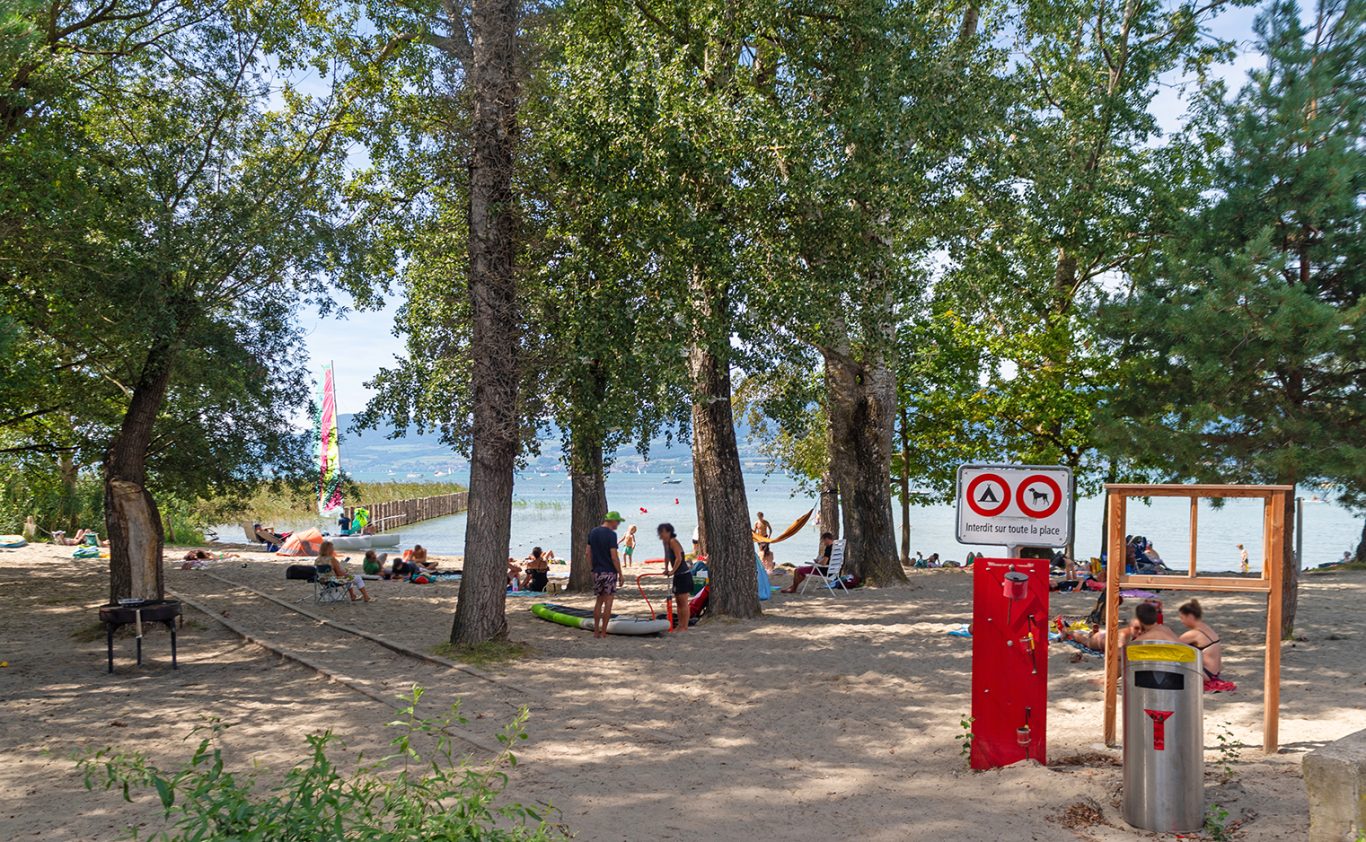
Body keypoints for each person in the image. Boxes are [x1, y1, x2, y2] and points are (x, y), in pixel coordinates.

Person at [586, 512, 625, 638]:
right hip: (609, 571)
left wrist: (592, 569)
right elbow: (614, 556)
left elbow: (588, 553)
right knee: (608, 601)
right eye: (617, 522)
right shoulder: (611, 535)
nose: (618, 525)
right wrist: (620, 573)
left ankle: (596, 631)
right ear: (612, 521)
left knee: (599, 601)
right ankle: (603, 632)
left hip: (597, 571)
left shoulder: (593, 532)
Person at [1177, 599, 1223, 680]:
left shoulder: (1194, 634)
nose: (1182, 621)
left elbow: (1172, 646)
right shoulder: (1206, 628)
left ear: (1190, 616)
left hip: (1205, 674)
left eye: (1182, 618)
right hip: (1214, 674)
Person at [658, 523, 691, 632]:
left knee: (683, 602)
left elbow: (679, 558)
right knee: (678, 602)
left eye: (663, 532)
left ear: (669, 532)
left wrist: (672, 571)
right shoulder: (665, 542)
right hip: (677, 575)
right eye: (660, 532)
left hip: (683, 574)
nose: (661, 534)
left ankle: (684, 626)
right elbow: (667, 556)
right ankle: (680, 625)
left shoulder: (673, 541)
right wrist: (667, 568)